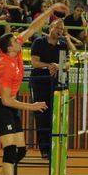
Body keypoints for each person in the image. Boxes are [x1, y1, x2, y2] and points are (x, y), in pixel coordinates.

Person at [0, 5, 58, 175]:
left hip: (10, 107)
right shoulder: (5, 66)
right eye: (15, 41)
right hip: (1, 107)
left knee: (20, 151)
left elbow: (33, 28)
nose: (19, 41)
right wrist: (32, 106)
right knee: (9, 151)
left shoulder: (12, 50)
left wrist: (50, 10)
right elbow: (7, 101)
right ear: (9, 48)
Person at [29, 19, 76, 158]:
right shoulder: (39, 42)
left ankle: (57, 149)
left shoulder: (63, 45)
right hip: (40, 83)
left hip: (57, 84)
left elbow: (68, 64)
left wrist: (58, 66)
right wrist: (49, 66)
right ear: (50, 28)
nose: (59, 30)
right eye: (57, 27)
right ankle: (45, 149)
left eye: (62, 29)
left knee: (57, 116)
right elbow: (34, 62)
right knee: (42, 115)